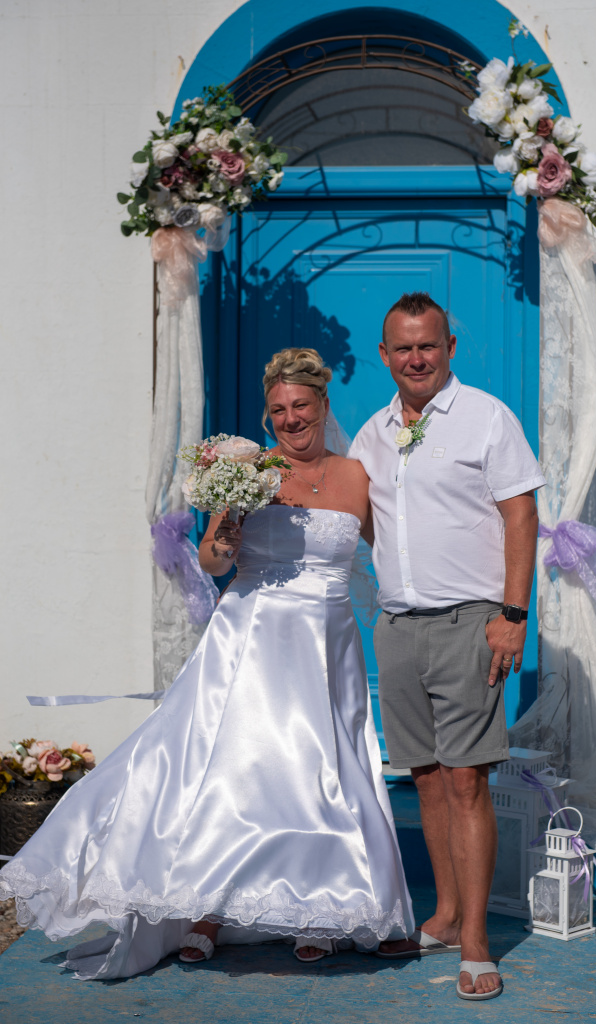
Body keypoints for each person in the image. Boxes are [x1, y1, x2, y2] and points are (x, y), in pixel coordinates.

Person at [0, 347, 414, 979]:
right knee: (240, 771)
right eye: (278, 409)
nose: (290, 418)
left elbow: (395, 553)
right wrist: (223, 535)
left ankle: (317, 911)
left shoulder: (359, 476)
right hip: (253, 638)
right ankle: (208, 910)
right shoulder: (249, 471)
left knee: (324, 770)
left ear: (323, 405)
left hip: (329, 645)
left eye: (301, 405)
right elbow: (215, 562)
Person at [348, 292, 544, 1001]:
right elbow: (367, 522)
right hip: (399, 627)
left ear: (449, 347)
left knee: (467, 780)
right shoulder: (371, 435)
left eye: (427, 345)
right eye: (403, 348)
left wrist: (512, 613)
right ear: (384, 355)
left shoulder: (487, 417)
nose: (416, 358)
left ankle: (476, 943)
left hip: (471, 622)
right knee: (426, 777)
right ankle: (447, 913)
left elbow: (521, 514)